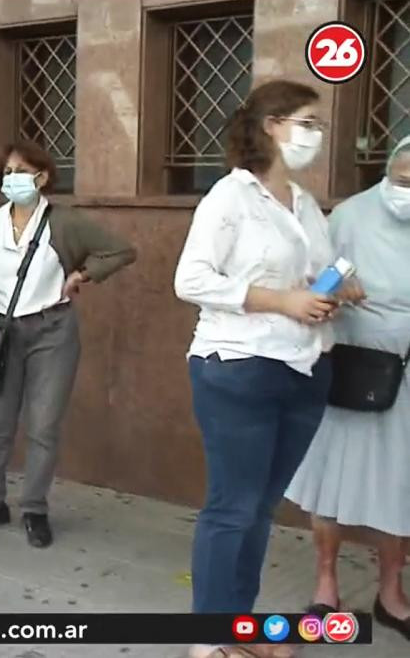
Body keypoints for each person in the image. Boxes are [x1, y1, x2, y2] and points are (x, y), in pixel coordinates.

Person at [174, 80, 365, 658]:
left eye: (318, 124)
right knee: (232, 508)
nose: (316, 134)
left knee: (259, 507)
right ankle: (207, 642)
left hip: (305, 367)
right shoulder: (229, 199)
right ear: (271, 126)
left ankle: (239, 631)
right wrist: (282, 302)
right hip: (238, 368)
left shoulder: (304, 204)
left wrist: (341, 288)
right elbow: (192, 280)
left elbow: (315, 273)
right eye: (307, 122)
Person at [0, 138, 135, 549]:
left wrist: (83, 274)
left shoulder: (63, 221)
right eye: (7, 172)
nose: (13, 179)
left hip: (51, 331)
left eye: (22, 171)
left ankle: (34, 507)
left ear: (42, 176)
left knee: (43, 425)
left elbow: (121, 250)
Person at [285, 135, 410, 641]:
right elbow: (313, 278)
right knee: (331, 485)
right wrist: (339, 285)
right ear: (386, 173)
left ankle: (390, 592)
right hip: (355, 368)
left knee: (400, 487)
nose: (408, 190)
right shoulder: (350, 216)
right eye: (403, 180)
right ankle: (326, 583)